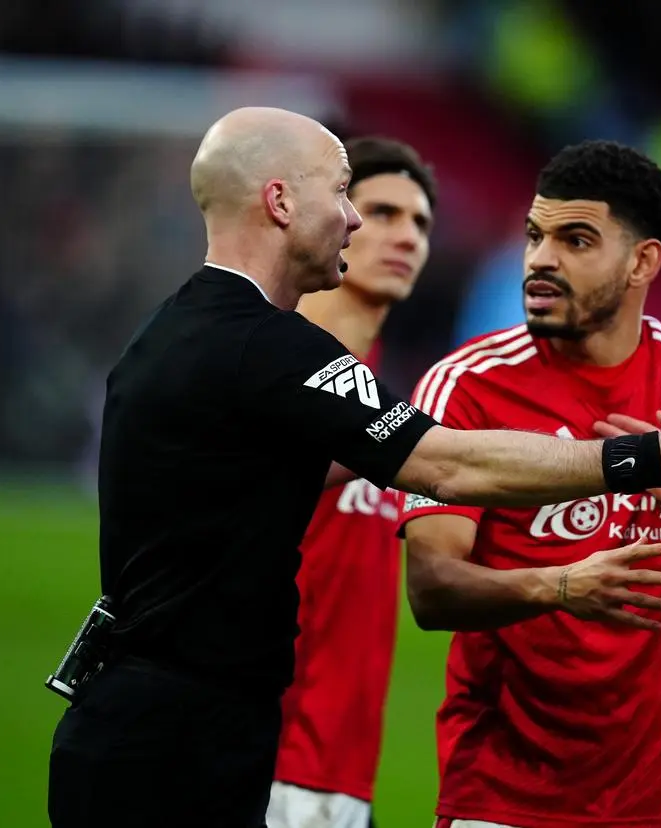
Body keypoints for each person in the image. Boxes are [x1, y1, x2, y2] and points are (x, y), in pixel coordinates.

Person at [45, 107, 661, 828]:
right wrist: (647, 456)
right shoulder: (274, 350)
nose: (356, 220)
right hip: (187, 738)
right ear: (278, 202)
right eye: (342, 193)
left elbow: (302, 471)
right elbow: (446, 465)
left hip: (136, 718)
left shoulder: (169, 334)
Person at [397, 140, 661, 828]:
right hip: (501, 797)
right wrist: (558, 587)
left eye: (575, 240)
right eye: (535, 235)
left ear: (643, 261)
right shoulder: (465, 387)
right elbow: (432, 586)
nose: (541, 259)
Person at [267, 136, 437, 828]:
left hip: (341, 774)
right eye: (384, 212)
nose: (405, 236)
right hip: (251, 753)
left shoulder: (390, 398)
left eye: (421, 222)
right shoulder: (262, 368)